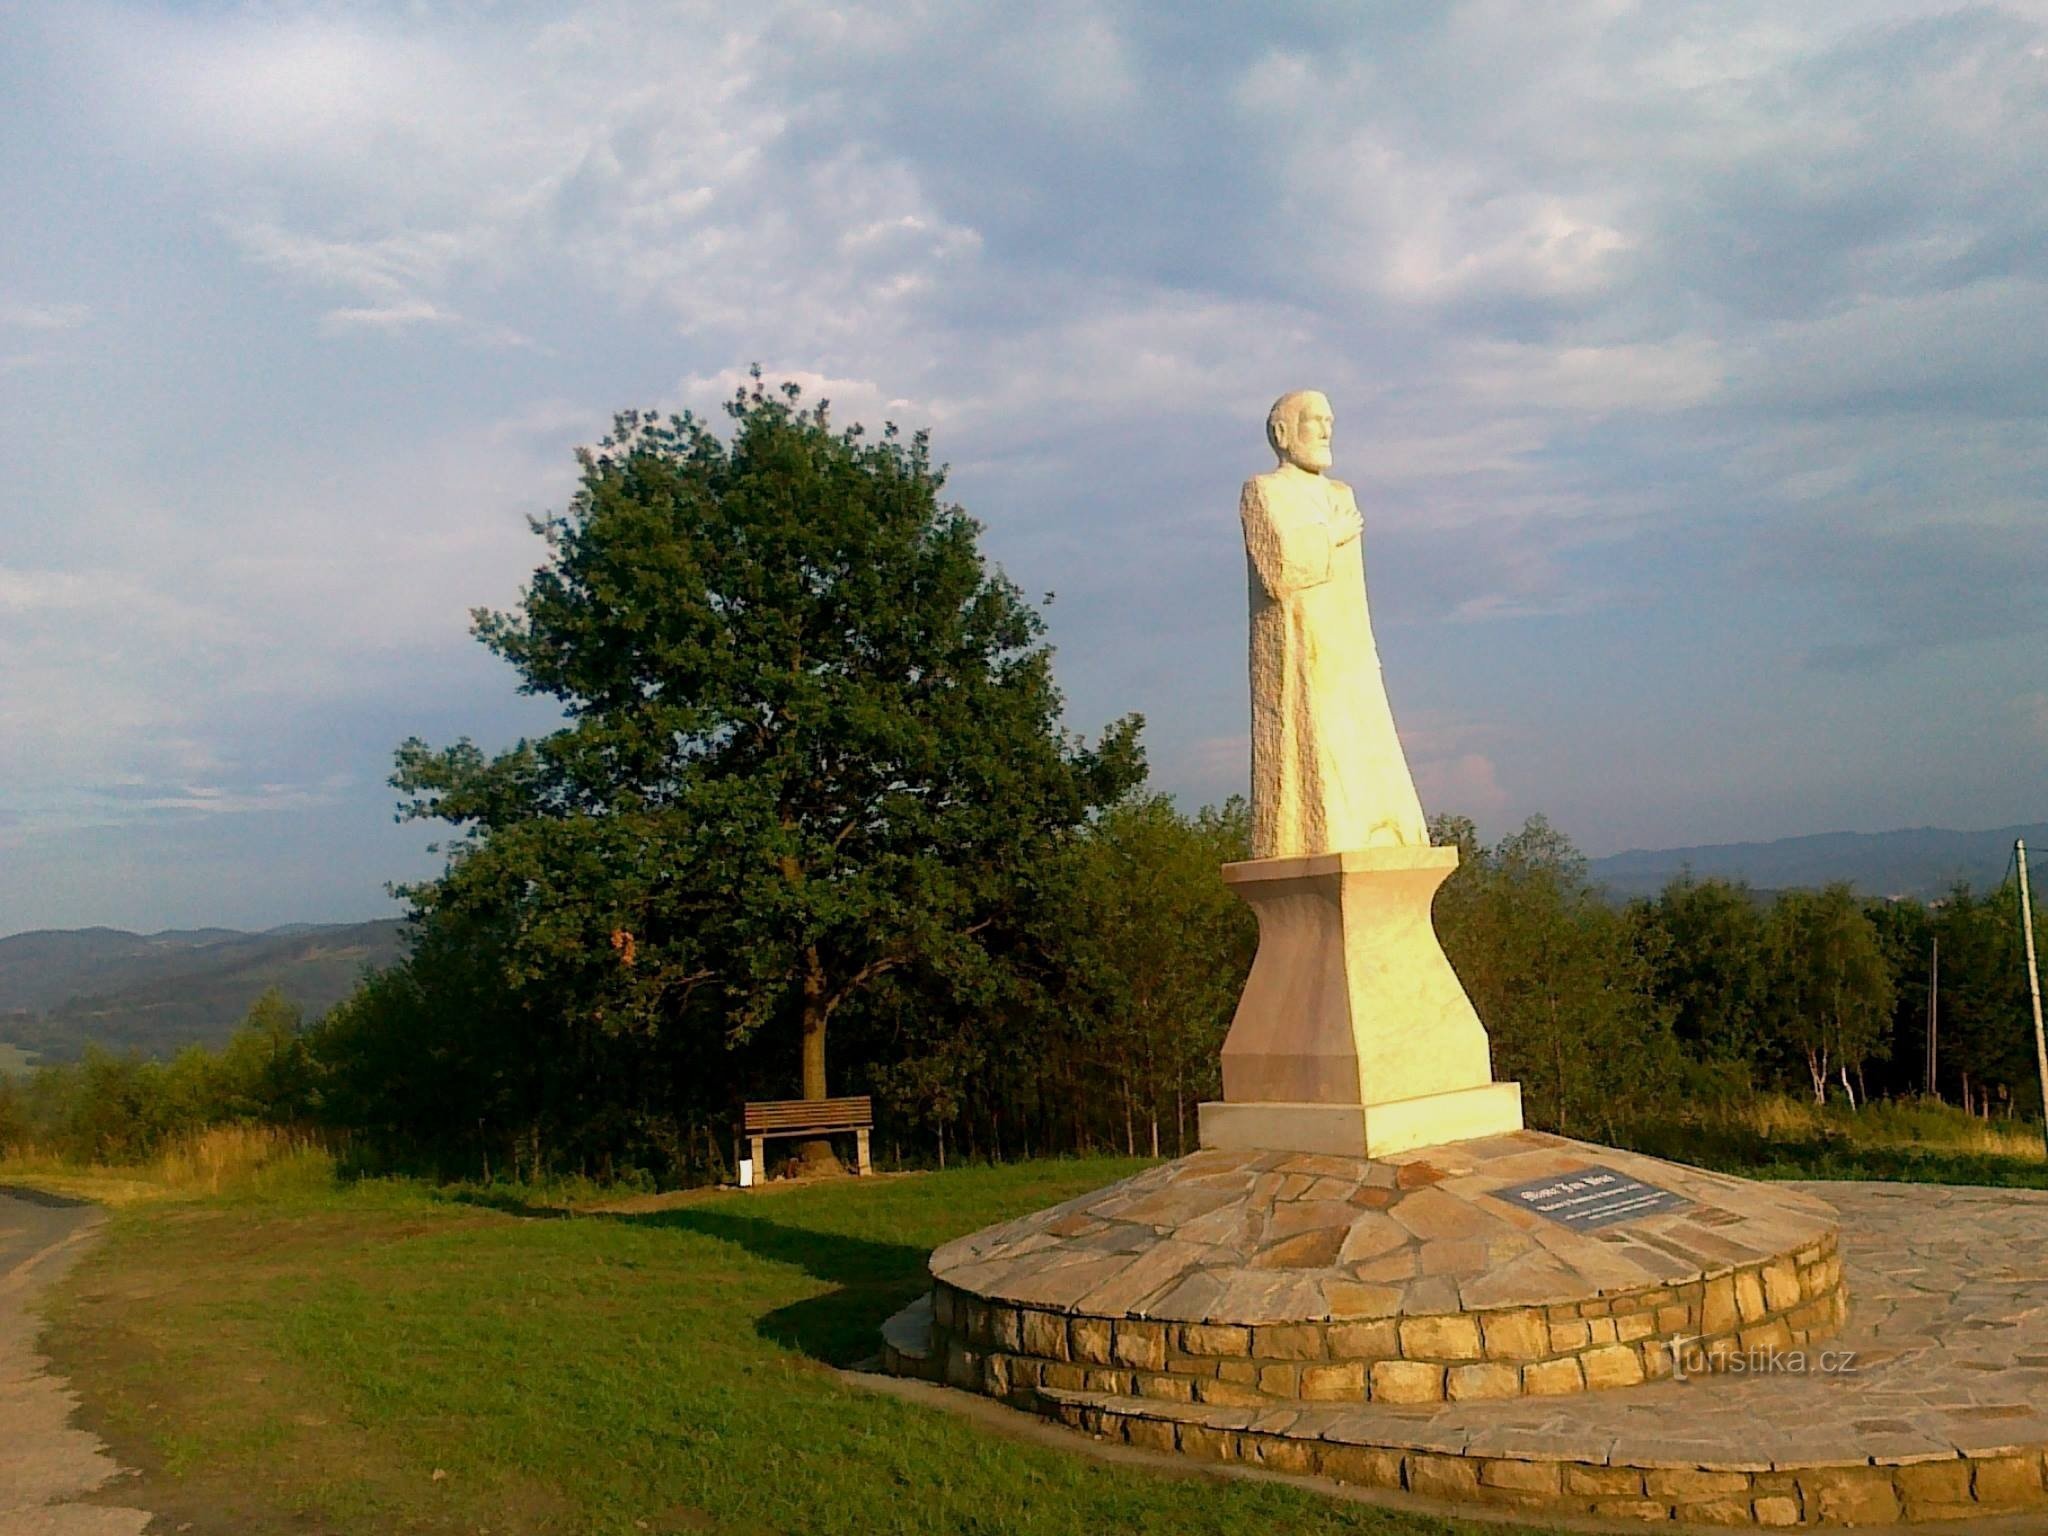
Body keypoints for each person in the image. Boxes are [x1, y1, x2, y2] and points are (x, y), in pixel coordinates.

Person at [1241, 390, 1428, 859]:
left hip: (1349, 650)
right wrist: (1332, 534)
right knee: (1316, 756)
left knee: (1366, 747)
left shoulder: (1341, 494)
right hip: (1304, 648)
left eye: (1330, 421)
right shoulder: (1264, 490)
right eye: (1314, 420)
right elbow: (1278, 569)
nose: (1326, 430)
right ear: (1283, 433)